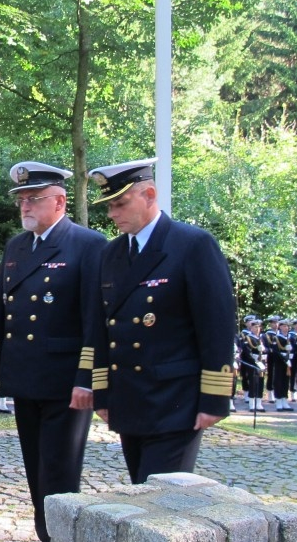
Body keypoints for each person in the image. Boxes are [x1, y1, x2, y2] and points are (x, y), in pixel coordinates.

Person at [0, 161, 106, 542]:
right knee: (36, 467)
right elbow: (1, 313)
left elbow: (95, 321)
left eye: (34, 199)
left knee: (59, 469)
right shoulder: (17, 247)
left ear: (60, 202)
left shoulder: (88, 245)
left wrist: (88, 377)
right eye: (22, 200)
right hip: (25, 375)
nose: (25, 206)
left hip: (66, 380)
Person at [88, 158, 236, 484]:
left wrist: (214, 398)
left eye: (120, 204)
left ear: (150, 194)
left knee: (164, 501)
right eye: (109, 205)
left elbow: (217, 327)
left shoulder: (192, 245)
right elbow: (101, 328)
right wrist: (102, 393)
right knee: (141, 492)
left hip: (175, 400)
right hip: (129, 398)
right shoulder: (111, 254)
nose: (112, 214)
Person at [240, 318, 267, 411]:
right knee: (253, 383)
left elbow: (265, 350)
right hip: (253, 364)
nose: (257, 329)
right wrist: (255, 360)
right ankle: (252, 404)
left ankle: (259, 403)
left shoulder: (261, 338)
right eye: (255, 327)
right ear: (251, 328)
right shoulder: (248, 338)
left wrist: (264, 354)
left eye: (259, 327)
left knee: (260, 383)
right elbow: (247, 352)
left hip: (261, 364)